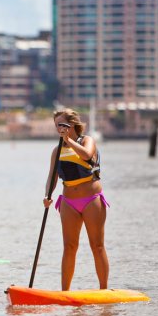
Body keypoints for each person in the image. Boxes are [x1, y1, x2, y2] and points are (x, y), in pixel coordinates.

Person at [43, 109, 109, 291]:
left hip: (91, 200)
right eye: (57, 125)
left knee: (97, 246)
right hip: (68, 202)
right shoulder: (57, 150)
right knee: (69, 247)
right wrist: (47, 195)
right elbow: (52, 177)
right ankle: (65, 292)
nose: (59, 128)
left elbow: (87, 155)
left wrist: (69, 141)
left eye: (63, 124)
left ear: (72, 125)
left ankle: (103, 290)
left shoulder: (87, 141)